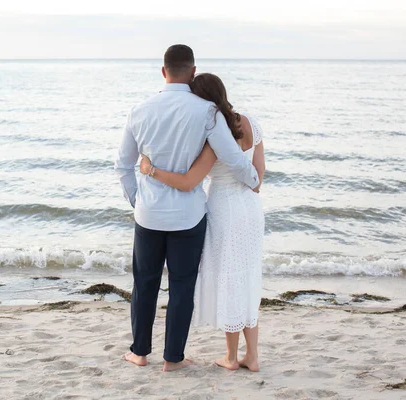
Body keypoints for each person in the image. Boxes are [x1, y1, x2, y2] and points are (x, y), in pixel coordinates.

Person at [114, 45, 259, 372]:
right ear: (192, 72)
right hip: (188, 217)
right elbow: (233, 158)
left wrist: (139, 201)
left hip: (149, 216)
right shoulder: (207, 111)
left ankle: (139, 353)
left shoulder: (139, 110)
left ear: (163, 71)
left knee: (145, 283)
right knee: (181, 287)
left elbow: (122, 166)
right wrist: (253, 180)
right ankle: (173, 359)